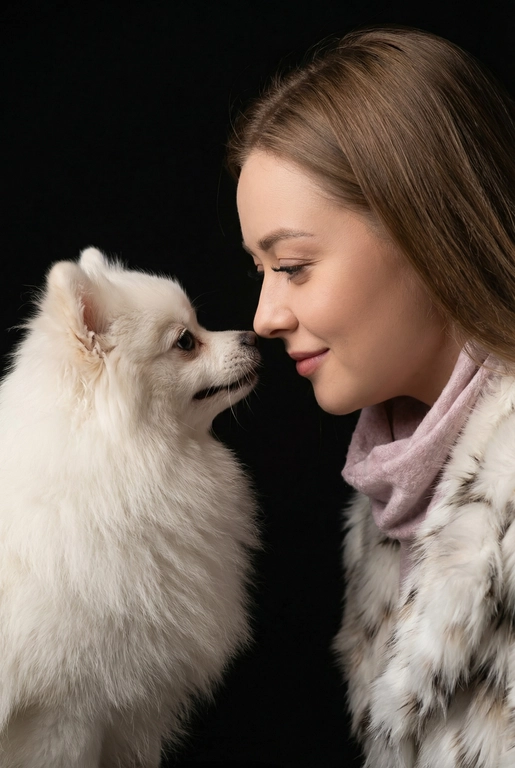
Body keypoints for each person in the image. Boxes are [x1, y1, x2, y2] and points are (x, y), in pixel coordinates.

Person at [226, 25, 515, 768]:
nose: (263, 317)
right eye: (260, 268)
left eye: (291, 265)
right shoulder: (389, 499)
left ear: (423, 227)